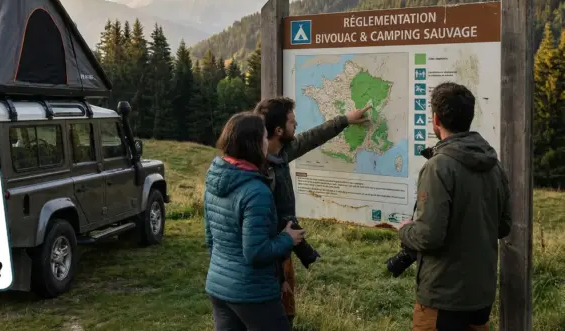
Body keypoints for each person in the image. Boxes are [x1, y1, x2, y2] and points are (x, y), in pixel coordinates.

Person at [397, 82, 512, 331]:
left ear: (435, 120)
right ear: (470, 116)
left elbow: (429, 236)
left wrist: (405, 230)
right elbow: (503, 226)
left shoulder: (438, 167)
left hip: (444, 297)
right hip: (480, 296)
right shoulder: (494, 164)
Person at [254, 97, 371, 322]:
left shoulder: (281, 153)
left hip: (282, 249)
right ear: (278, 130)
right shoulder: (260, 169)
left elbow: (312, 138)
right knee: (274, 318)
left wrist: (345, 120)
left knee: (286, 315)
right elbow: (261, 228)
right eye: (291, 122)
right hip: (269, 255)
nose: (296, 125)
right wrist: (279, 277)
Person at [204, 111, 306, 331]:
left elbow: (211, 239)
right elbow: (256, 252)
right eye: (263, 137)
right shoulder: (255, 192)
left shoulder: (214, 179)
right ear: (253, 144)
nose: (266, 142)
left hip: (219, 288)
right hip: (253, 293)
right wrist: (288, 238)